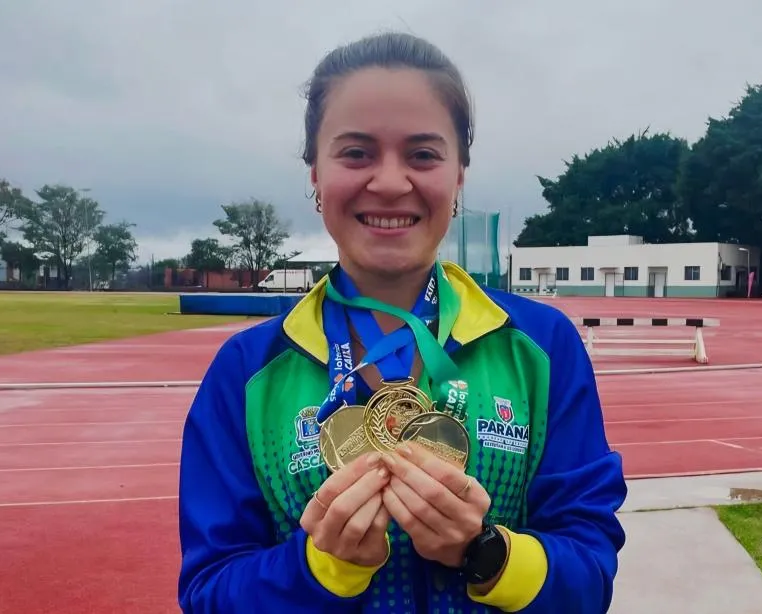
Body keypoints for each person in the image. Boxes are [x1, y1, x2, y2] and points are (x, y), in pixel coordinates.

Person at [177, 31, 627, 613]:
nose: (390, 182)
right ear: (315, 173)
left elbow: (590, 578)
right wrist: (321, 568)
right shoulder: (247, 371)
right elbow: (208, 594)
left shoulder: (539, 347)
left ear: (459, 175)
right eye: (356, 153)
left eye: (423, 154)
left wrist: (487, 553)